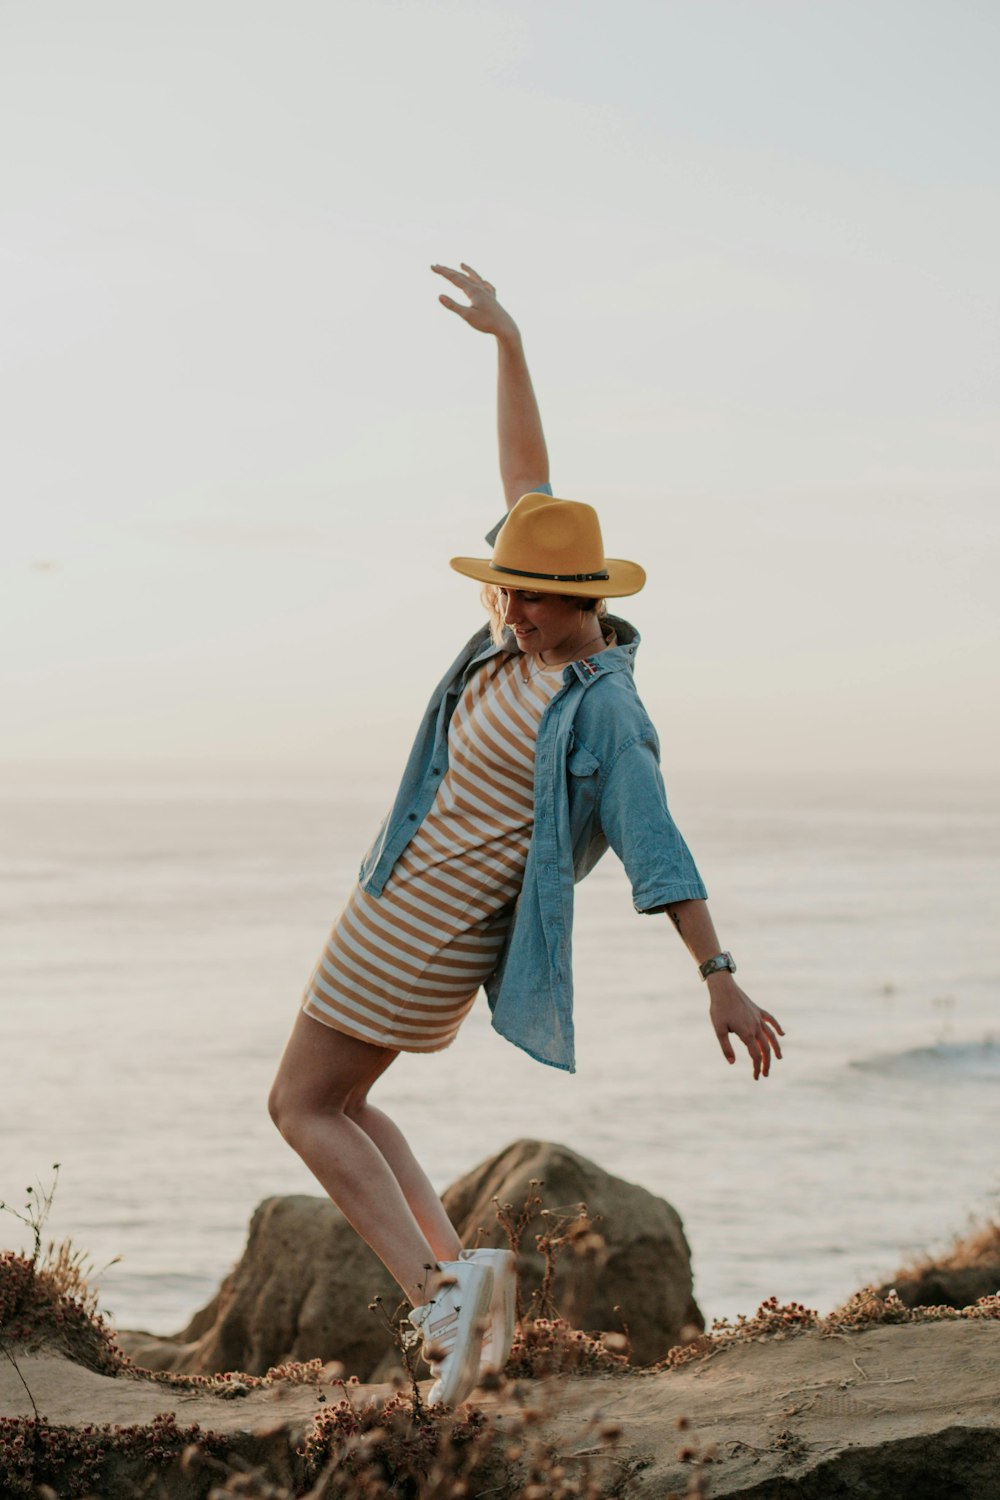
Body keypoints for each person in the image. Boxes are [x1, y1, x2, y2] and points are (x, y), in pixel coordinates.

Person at [268, 262, 784, 1409]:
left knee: (300, 1108)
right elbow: (526, 475)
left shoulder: (602, 708)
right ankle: (463, 1293)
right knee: (342, 1104)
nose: (510, 610)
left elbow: (662, 852)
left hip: (433, 924)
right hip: (393, 900)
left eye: (535, 599)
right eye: (506, 591)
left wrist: (721, 979)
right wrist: (506, 338)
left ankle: (443, 1307)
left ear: (586, 594)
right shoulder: (516, 633)